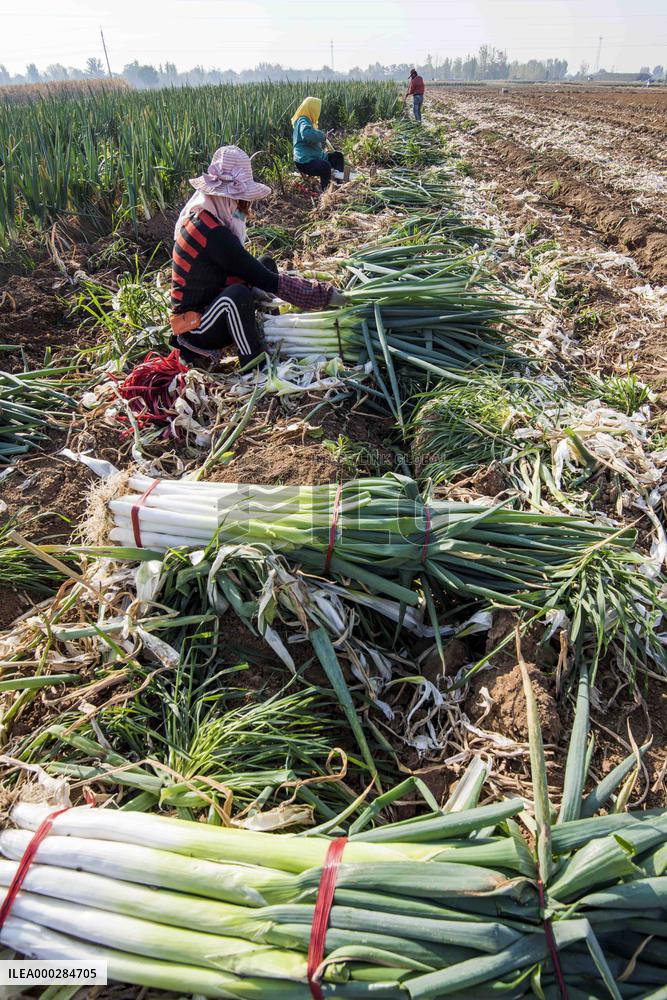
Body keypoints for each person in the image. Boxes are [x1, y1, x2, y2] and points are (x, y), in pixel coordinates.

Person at [170, 145, 345, 366]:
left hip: (212, 300)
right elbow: (262, 278)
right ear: (224, 197)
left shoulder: (212, 216)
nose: (244, 208)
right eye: (241, 201)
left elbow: (254, 270)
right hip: (197, 327)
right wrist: (322, 295)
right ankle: (254, 363)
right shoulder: (209, 231)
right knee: (237, 297)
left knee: (266, 264)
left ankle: (263, 330)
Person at [291, 96, 345, 191]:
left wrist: (324, 137)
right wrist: (322, 136)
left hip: (314, 156)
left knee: (338, 156)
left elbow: (313, 138)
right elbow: (307, 135)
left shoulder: (309, 122)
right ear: (311, 109)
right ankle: (327, 193)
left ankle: (338, 184)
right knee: (325, 167)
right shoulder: (303, 120)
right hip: (305, 161)